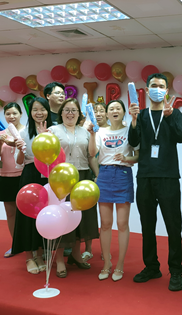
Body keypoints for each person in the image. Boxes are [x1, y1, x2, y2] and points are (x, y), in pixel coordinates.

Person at [128, 73, 182, 292]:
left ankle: (176, 270)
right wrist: (133, 121)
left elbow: (181, 137)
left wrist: (169, 117)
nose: (157, 89)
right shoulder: (141, 114)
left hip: (168, 176)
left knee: (173, 225)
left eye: (161, 86)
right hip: (145, 176)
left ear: (167, 91)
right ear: (147, 89)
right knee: (147, 225)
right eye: (154, 85)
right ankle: (152, 267)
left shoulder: (175, 113)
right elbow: (133, 141)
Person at [88, 99, 138, 281]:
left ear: (123, 112)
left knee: (122, 224)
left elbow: (138, 155)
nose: (114, 111)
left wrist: (126, 158)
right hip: (105, 175)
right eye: (111, 109)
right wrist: (92, 134)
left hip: (123, 174)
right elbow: (92, 153)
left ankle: (120, 265)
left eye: (118, 108)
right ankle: (107, 263)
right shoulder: (100, 131)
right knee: (106, 223)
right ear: (106, 113)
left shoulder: (129, 130)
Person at [49, 98, 99, 277]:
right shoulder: (53, 130)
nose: (70, 113)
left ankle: (76, 255)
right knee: (63, 217)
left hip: (83, 176)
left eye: (74, 110)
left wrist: (97, 176)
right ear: (61, 113)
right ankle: (59, 259)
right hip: (62, 178)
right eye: (67, 110)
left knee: (80, 218)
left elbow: (92, 155)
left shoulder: (85, 131)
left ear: (79, 114)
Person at [12, 97, 53, 275]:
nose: (39, 113)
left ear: (48, 111)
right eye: (35, 109)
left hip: (47, 176)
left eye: (42, 109)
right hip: (30, 174)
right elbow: (19, 162)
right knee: (27, 216)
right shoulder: (23, 133)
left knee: (44, 216)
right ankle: (29, 256)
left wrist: (46, 138)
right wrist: (20, 149)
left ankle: (41, 254)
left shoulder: (53, 131)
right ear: (30, 112)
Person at [0, 102, 24, 258]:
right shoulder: (0, 134)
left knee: (26, 214)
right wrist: (0, 143)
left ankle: (31, 245)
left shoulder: (26, 131)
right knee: (11, 214)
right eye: (8, 114)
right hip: (5, 177)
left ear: (21, 114)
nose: (11, 116)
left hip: (23, 176)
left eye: (14, 113)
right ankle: (15, 245)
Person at [82, 102, 110, 262]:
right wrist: (98, 175)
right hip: (92, 175)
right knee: (89, 213)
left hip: (109, 174)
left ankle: (106, 250)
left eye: (101, 111)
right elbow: (90, 156)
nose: (98, 114)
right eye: (95, 111)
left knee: (106, 217)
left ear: (106, 113)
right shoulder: (88, 131)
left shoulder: (112, 130)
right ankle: (88, 249)